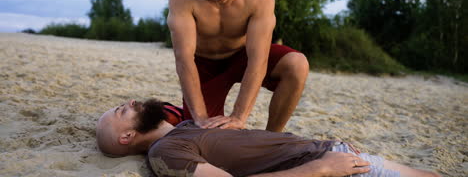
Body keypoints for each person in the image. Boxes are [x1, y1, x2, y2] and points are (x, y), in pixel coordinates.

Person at [168, 0, 309, 132]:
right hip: (204, 65)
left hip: (241, 57)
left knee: (297, 65)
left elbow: (258, 60)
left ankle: (271, 137)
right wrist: (199, 117)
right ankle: (179, 114)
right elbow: (184, 59)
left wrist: (239, 116)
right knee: (202, 132)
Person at [96, 98, 440, 177]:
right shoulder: (165, 152)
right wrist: (320, 168)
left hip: (333, 154)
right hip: (331, 170)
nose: (125, 104)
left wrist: (324, 146)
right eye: (118, 112)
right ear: (126, 137)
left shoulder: (187, 128)